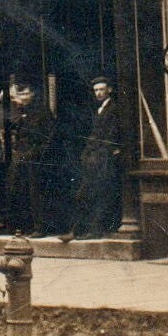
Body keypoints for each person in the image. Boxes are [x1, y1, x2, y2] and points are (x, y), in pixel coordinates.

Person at [67, 78, 124, 240]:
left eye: (101, 89)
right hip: (94, 159)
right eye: (96, 90)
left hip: (103, 159)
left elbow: (111, 135)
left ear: (109, 90)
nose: (98, 93)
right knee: (87, 193)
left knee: (98, 193)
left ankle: (94, 230)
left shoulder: (113, 109)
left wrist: (96, 154)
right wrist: (87, 154)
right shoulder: (98, 109)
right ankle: (79, 230)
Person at [5, 81, 54, 237]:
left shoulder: (42, 113)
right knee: (21, 191)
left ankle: (40, 227)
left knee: (36, 193)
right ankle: (25, 226)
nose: (22, 98)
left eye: (26, 94)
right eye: (21, 95)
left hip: (35, 161)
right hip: (21, 160)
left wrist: (34, 154)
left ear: (33, 94)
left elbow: (48, 139)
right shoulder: (22, 114)